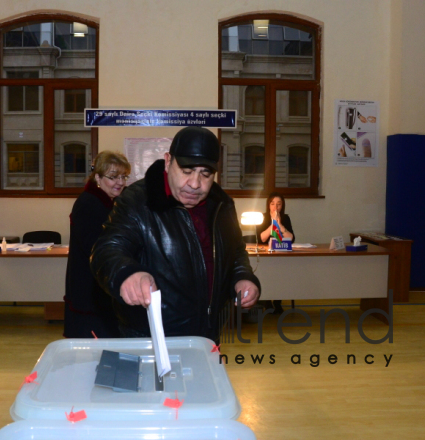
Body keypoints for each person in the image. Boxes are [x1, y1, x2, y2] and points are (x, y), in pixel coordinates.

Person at [91, 126, 260, 341]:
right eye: (187, 172)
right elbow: (107, 249)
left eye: (206, 174)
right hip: (150, 337)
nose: (195, 184)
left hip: (207, 335)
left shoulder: (222, 205)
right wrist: (126, 273)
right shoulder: (137, 201)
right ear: (168, 161)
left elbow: (235, 252)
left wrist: (243, 277)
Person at [64, 151, 131, 338]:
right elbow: (95, 246)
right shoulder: (89, 203)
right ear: (98, 177)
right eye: (113, 177)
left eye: (123, 177)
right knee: (94, 352)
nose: (120, 182)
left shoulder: (113, 202)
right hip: (90, 290)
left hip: (102, 288)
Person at [256, 192, 295, 314]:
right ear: (268, 205)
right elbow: (262, 238)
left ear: (282, 206)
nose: (275, 207)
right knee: (266, 274)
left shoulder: (286, 218)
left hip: (281, 254)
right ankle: (266, 301)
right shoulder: (262, 217)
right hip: (265, 256)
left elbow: (291, 238)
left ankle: (278, 302)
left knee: (281, 273)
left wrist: (280, 225)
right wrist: (273, 224)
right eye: (272, 204)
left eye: (279, 204)